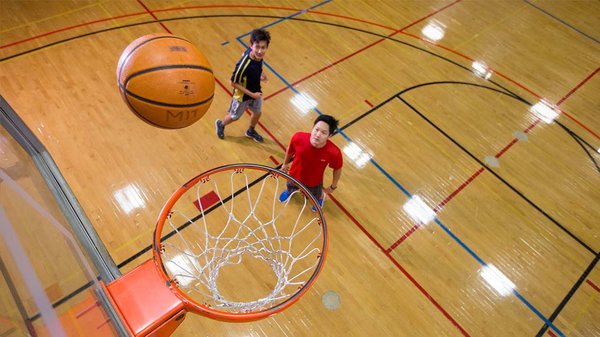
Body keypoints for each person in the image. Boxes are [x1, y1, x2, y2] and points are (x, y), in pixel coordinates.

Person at [215, 28, 270, 142]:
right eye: (257, 47)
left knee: (257, 113)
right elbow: (232, 82)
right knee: (234, 117)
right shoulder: (244, 64)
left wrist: (261, 74)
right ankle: (221, 124)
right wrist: (252, 95)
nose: (260, 51)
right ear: (251, 45)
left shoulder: (258, 56)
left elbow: (254, 62)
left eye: (263, 47)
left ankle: (251, 130)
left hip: (256, 92)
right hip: (242, 96)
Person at [279, 115, 343, 211]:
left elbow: (337, 168)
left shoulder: (334, 152)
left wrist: (333, 186)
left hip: (314, 183)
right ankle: (289, 192)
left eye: (323, 132)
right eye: (316, 129)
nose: (318, 134)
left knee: (315, 196)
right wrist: (285, 164)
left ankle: (319, 198)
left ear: (330, 135)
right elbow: (290, 150)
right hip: (293, 175)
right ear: (312, 128)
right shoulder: (298, 138)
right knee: (290, 187)